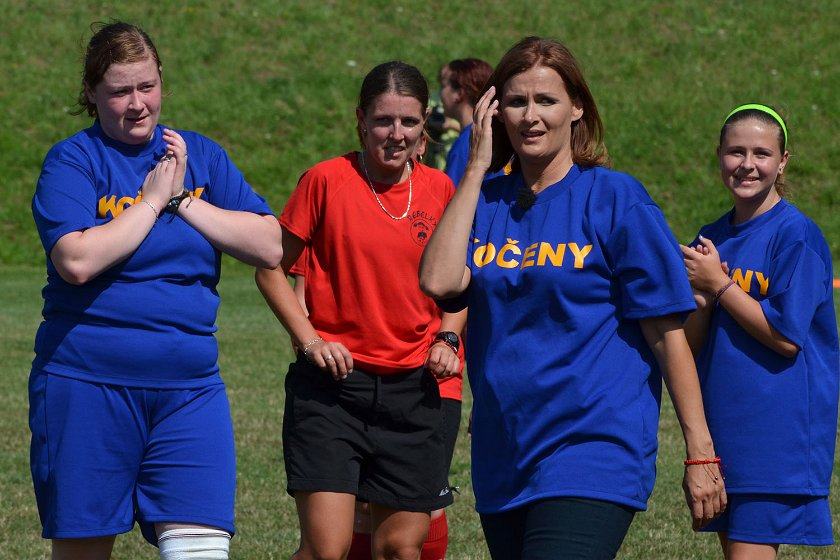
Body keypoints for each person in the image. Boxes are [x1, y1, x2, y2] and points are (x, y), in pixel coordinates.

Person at [420, 36, 726, 559]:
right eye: (516, 102)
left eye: (546, 100)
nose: (530, 116)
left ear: (577, 107)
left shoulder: (616, 199)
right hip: (504, 452)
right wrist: (474, 168)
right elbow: (439, 281)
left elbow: (666, 335)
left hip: (592, 451)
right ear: (494, 112)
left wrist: (700, 452)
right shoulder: (484, 202)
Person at [29, 22, 282, 560]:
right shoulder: (73, 161)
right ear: (92, 93)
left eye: (147, 86)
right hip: (87, 384)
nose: (137, 104)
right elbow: (76, 260)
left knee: (201, 549)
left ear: (162, 79)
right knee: (84, 551)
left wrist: (182, 199)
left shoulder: (199, 156)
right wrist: (149, 202)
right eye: (120, 91)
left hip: (189, 389)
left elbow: (268, 245)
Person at [255, 60, 466, 560]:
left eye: (409, 122)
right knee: (327, 549)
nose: (396, 134)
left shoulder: (441, 190)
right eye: (383, 120)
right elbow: (270, 269)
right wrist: (309, 340)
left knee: (400, 549)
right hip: (334, 391)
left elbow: (458, 288)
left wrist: (448, 337)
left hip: (416, 391)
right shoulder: (325, 180)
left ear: (424, 125)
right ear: (360, 121)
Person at [681, 104, 838, 560]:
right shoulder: (711, 237)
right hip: (723, 428)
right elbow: (690, 344)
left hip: (776, 433)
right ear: (719, 156)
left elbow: (787, 338)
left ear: (783, 161)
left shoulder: (797, 236)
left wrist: (720, 285)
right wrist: (701, 301)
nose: (747, 164)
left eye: (762, 154)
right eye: (736, 152)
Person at [439, 58, 504, 186]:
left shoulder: (469, 142)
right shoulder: (494, 134)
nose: (440, 93)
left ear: (459, 93)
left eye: (443, 86)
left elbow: (452, 194)